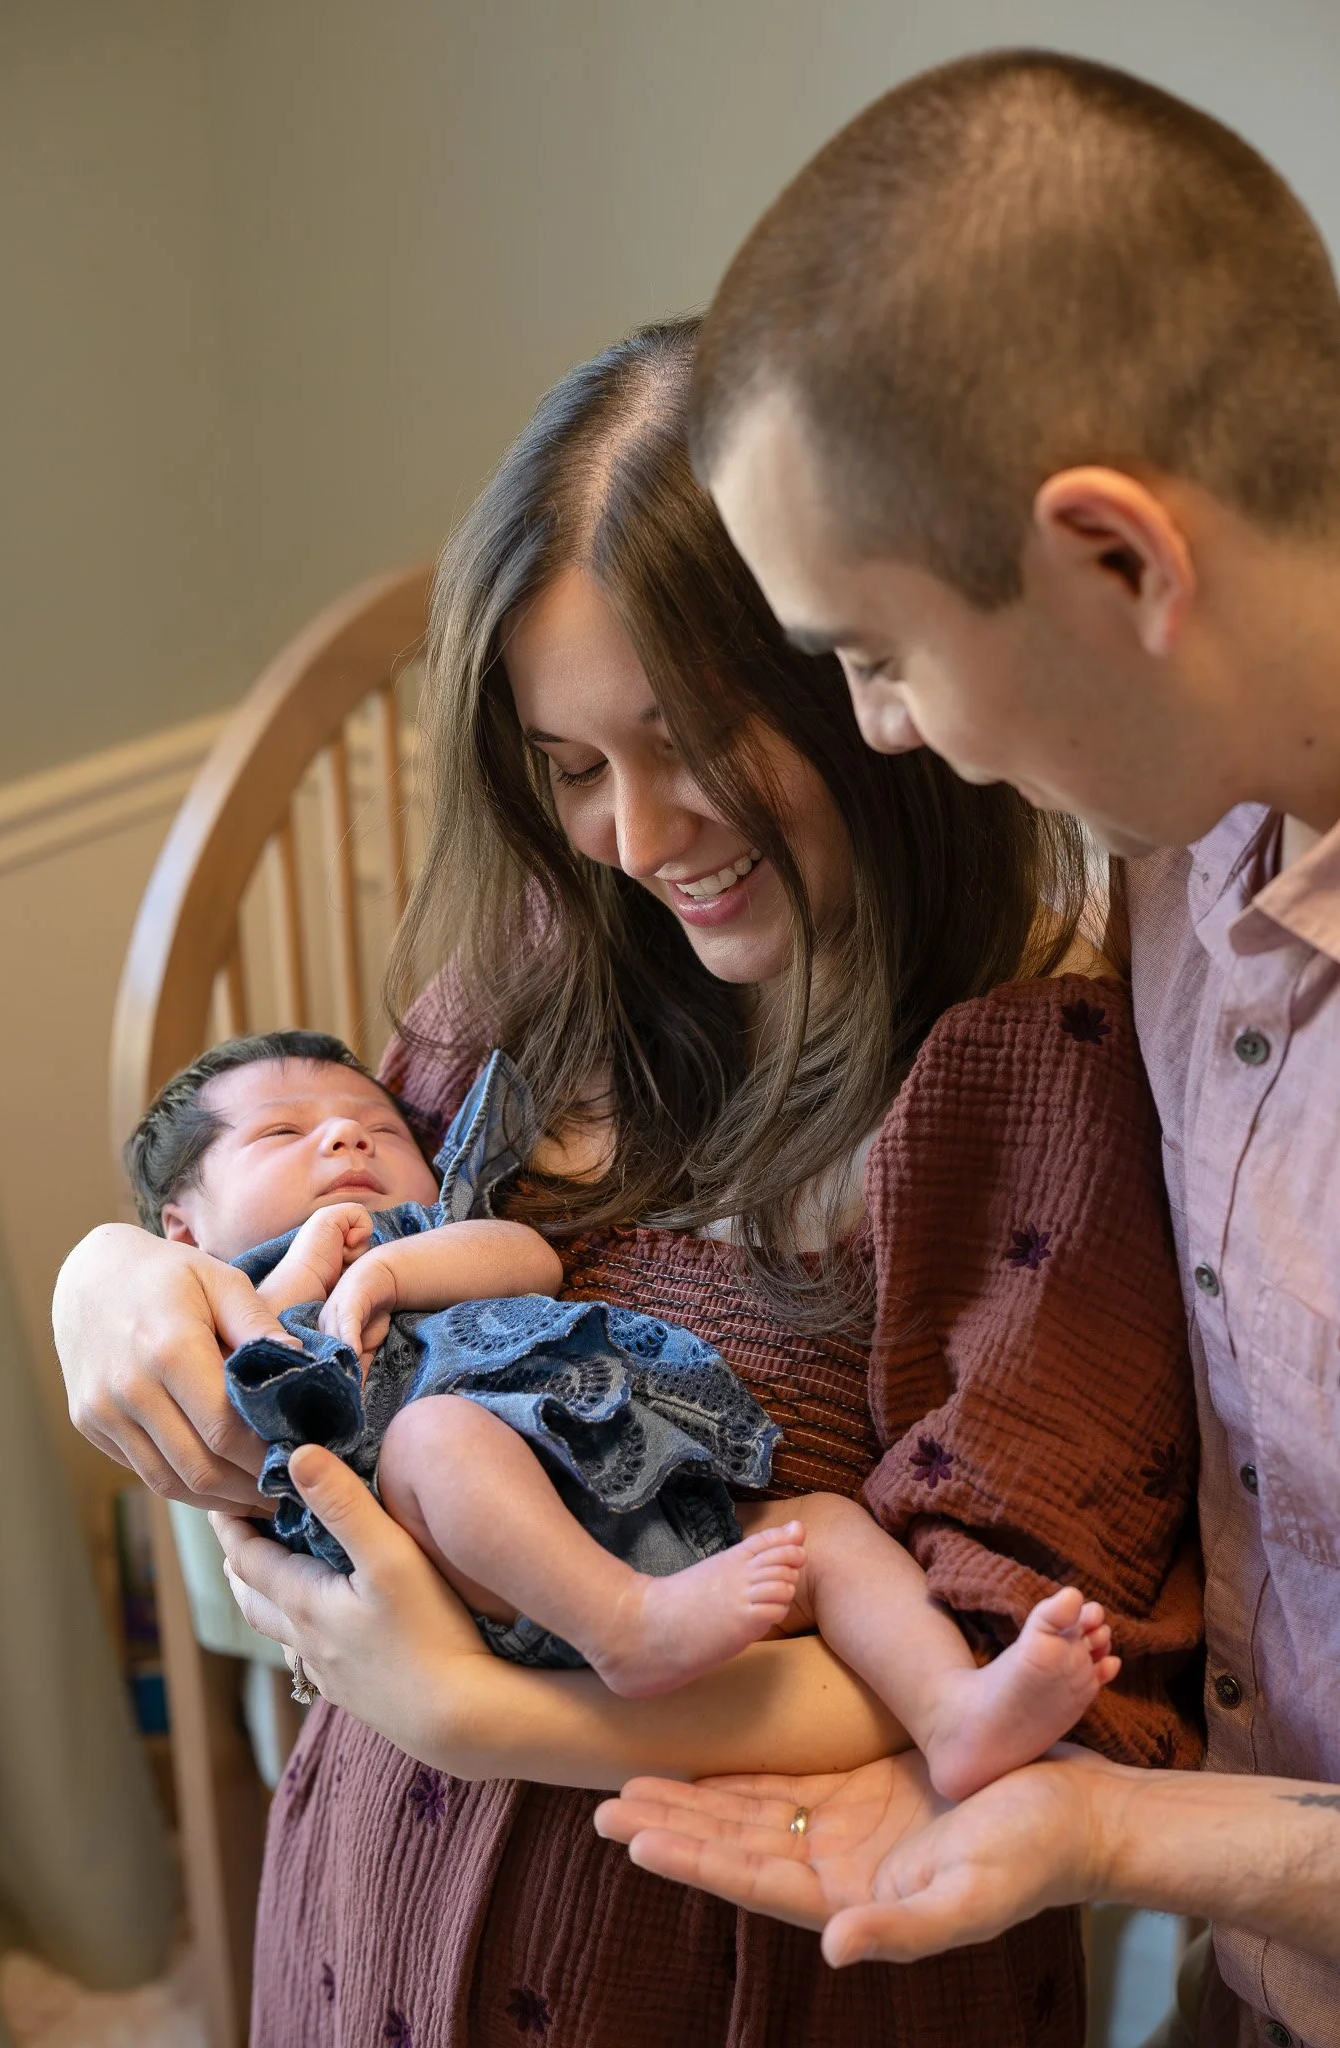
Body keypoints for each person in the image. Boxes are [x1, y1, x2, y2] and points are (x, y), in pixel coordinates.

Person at [54, 320, 1199, 2048]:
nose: (642, 834)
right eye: (573, 767)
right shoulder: (530, 982)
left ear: (857, 679)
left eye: (690, 740)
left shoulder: (1030, 1075)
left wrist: (483, 1714)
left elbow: (996, 1680)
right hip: (358, 1942)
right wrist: (113, 1279)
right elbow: (296, 1256)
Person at [593, 53, 1340, 2048]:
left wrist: (1108, 1837)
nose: (887, 730)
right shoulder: (1188, 838)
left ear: (1119, 563)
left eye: (870, 652)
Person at [129, 1032, 1121, 1779]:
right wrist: (301, 1266)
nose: (346, 1134)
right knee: (436, 1433)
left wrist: (387, 1264)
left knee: (824, 1531)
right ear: (184, 1226)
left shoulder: (432, 1234)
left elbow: (531, 1260)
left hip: (636, 1497)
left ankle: (953, 1710)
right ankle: (623, 1622)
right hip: (473, 1569)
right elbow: (234, 1411)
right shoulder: (210, 1299)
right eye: (282, 1133)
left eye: (379, 1126)